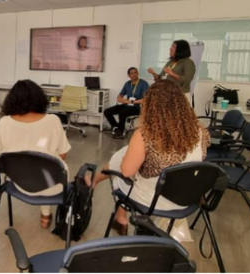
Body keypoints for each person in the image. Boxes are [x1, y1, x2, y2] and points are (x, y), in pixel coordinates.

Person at [86, 80, 210, 236]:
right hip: (187, 197)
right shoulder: (201, 132)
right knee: (125, 155)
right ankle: (99, 187)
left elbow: (126, 172)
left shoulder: (145, 135)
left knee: (119, 168)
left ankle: (119, 215)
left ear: (150, 105)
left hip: (153, 199)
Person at [0, 80, 71, 228]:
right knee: (48, 167)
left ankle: (45, 215)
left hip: (20, 183)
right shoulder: (53, 120)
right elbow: (63, 155)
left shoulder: (5, 122)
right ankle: (46, 215)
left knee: (33, 168)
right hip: (54, 184)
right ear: (39, 98)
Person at [103, 67, 149, 139]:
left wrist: (132, 101)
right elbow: (119, 97)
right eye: (132, 73)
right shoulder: (127, 84)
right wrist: (121, 99)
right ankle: (116, 127)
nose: (134, 75)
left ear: (137, 73)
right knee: (107, 111)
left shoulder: (143, 83)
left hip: (136, 107)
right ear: (128, 75)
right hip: (126, 105)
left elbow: (146, 99)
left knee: (123, 112)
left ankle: (120, 131)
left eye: (135, 73)